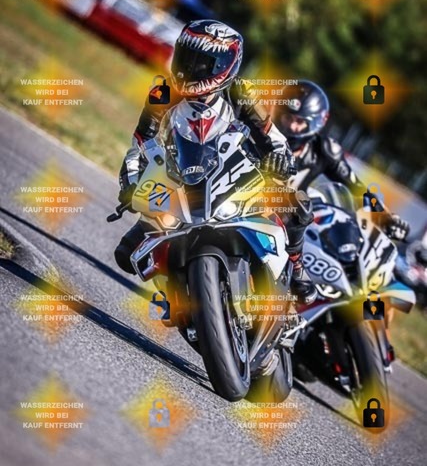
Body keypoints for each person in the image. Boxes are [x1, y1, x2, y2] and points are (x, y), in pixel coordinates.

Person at [114, 19, 317, 303]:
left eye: (201, 63)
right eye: (187, 58)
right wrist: (130, 182)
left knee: (297, 206)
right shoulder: (163, 92)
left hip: (239, 174)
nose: (189, 68)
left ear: (224, 66)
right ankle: (177, 296)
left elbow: (273, 137)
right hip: (179, 180)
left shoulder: (241, 93)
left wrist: (279, 159)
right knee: (126, 255)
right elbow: (140, 142)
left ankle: (297, 269)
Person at [273, 80, 410, 241]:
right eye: (288, 117)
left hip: (284, 228)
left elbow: (357, 188)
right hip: (250, 209)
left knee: (316, 200)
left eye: (300, 121)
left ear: (315, 123)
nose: (292, 126)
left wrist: (385, 217)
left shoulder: (323, 150)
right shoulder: (258, 133)